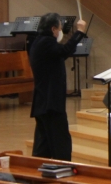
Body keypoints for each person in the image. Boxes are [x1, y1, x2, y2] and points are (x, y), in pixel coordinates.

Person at [30, 13, 88, 160]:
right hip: (50, 104)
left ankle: (39, 170)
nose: (60, 31)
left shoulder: (38, 42)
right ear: (53, 29)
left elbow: (61, 54)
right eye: (60, 28)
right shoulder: (46, 43)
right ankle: (63, 171)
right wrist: (79, 32)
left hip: (43, 102)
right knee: (61, 144)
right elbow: (64, 50)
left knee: (43, 146)